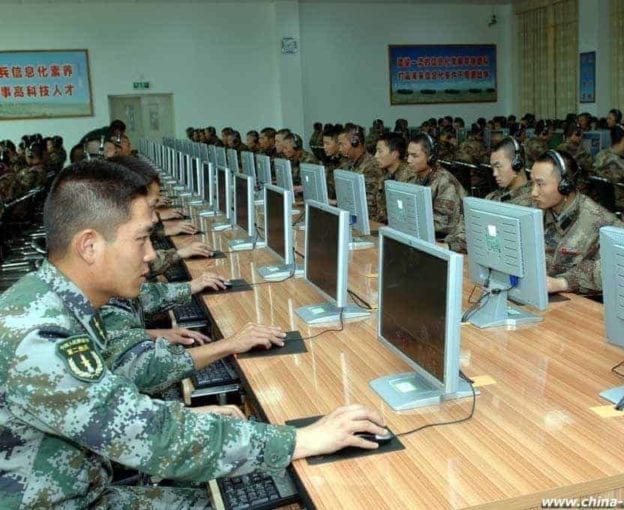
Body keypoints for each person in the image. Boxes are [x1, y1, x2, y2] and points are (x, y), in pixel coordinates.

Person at [0, 160, 387, 508]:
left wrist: (183, 416)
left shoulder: (55, 301)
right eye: (141, 239)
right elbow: (151, 437)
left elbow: (112, 408)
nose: (152, 255)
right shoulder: (40, 339)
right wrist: (301, 440)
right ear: (89, 245)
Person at [530, 150, 622, 295]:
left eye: (540, 184)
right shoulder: (533, 211)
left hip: (577, 299)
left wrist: (563, 283)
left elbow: (615, 268)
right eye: (533, 183)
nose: (533, 192)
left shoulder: (604, 223)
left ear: (565, 185)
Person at [405, 134, 466, 250]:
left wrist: (409, 223)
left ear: (431, 157)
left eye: (414, 156)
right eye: (408, 155)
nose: (408, 160)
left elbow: (442, 225)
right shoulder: (415, 177)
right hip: (425, 237)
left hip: (448, 242)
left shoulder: (445, 183)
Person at [338, 124, 382, 218]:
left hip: (367, 219)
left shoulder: (371, 166)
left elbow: (369, 205)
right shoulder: (348, 163)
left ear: (355, 143)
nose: (340, 149)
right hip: (352, 214)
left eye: (343, 144)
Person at [373, 132, 415, 223]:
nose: (376, 156)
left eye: (380, 151)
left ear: (394, 154)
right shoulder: (384, 176)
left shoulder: (410, 178)